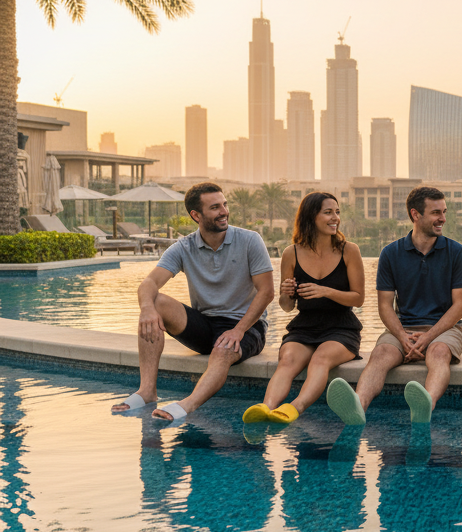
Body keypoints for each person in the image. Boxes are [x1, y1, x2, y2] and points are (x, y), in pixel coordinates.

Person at [110, 182, 274, 420]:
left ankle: (187, 405)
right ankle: (147, 391)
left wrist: (238, 331)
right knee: (155, 302)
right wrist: (146, 309)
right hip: (205, 325)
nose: (224, 212)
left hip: (246, 326)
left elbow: (266, 292)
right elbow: (149, 283)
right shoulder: (184, 247)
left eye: (224, 205)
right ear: (196, 215)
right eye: (215, 207)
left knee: (223, 350)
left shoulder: (250, 240)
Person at [325, 186, 462, 425]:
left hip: (445, 329)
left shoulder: (457, 252)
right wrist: (402, 336)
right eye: (436, 213)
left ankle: (426, 406)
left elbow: (460, 306)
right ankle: (358, 407)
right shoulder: (390, 253)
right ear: (415, 215)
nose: (443, 218)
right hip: (403, 328)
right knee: (381, 353)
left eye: (444, 212)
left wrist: (428, 336)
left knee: (438, 352)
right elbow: (385, 305)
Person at [242, 192, 364, 425]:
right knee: (287, 360)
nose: (335, 218)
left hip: (341, 327)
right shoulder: (291, 253)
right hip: (305, 327)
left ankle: (293, 408)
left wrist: (325, 291)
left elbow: (358, 299)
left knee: (320, 359)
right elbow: (287, 307)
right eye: (328, 212)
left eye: (337, 212)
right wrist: (286, 293)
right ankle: (266, 407)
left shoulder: (349, 250)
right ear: (311, 217)